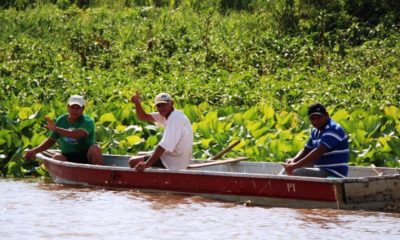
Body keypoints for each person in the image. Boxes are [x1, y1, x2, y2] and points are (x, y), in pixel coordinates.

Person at [24, 95, 103, 165]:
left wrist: (56, 129)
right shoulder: (62, 119)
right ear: (68, 107)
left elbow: (77, 134)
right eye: (72, 107)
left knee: (95, 148)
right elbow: (51, 140)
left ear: (82, 109)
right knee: (57, 157)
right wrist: (34, 151)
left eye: (78, 107)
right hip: (67, 156)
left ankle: (98, 172)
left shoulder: (87, 121)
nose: (75, 110)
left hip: (85, 156)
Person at [129, 92, 193, 171]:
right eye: (159, 106)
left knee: (132, 162)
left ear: (171, 103)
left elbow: (163, 146)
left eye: (164, 104)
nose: (162, 108)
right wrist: (137, 103)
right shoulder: (169, 114)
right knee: (140, 154)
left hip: (173, 161)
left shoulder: (174, 119)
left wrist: (147, 164)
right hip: (176, 157)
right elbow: (143, 116)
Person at [283, 103, 349, 178]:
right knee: (288, 164)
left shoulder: (333, 128)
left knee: (296, 172)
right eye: (312, 119)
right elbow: (306, 149)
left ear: (326, 115)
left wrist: (295, 165)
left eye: (318, 117)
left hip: (332, 172)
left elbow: (319, 151)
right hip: (321, 168)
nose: (316, 121)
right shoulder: (316, 131)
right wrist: (294, 160)